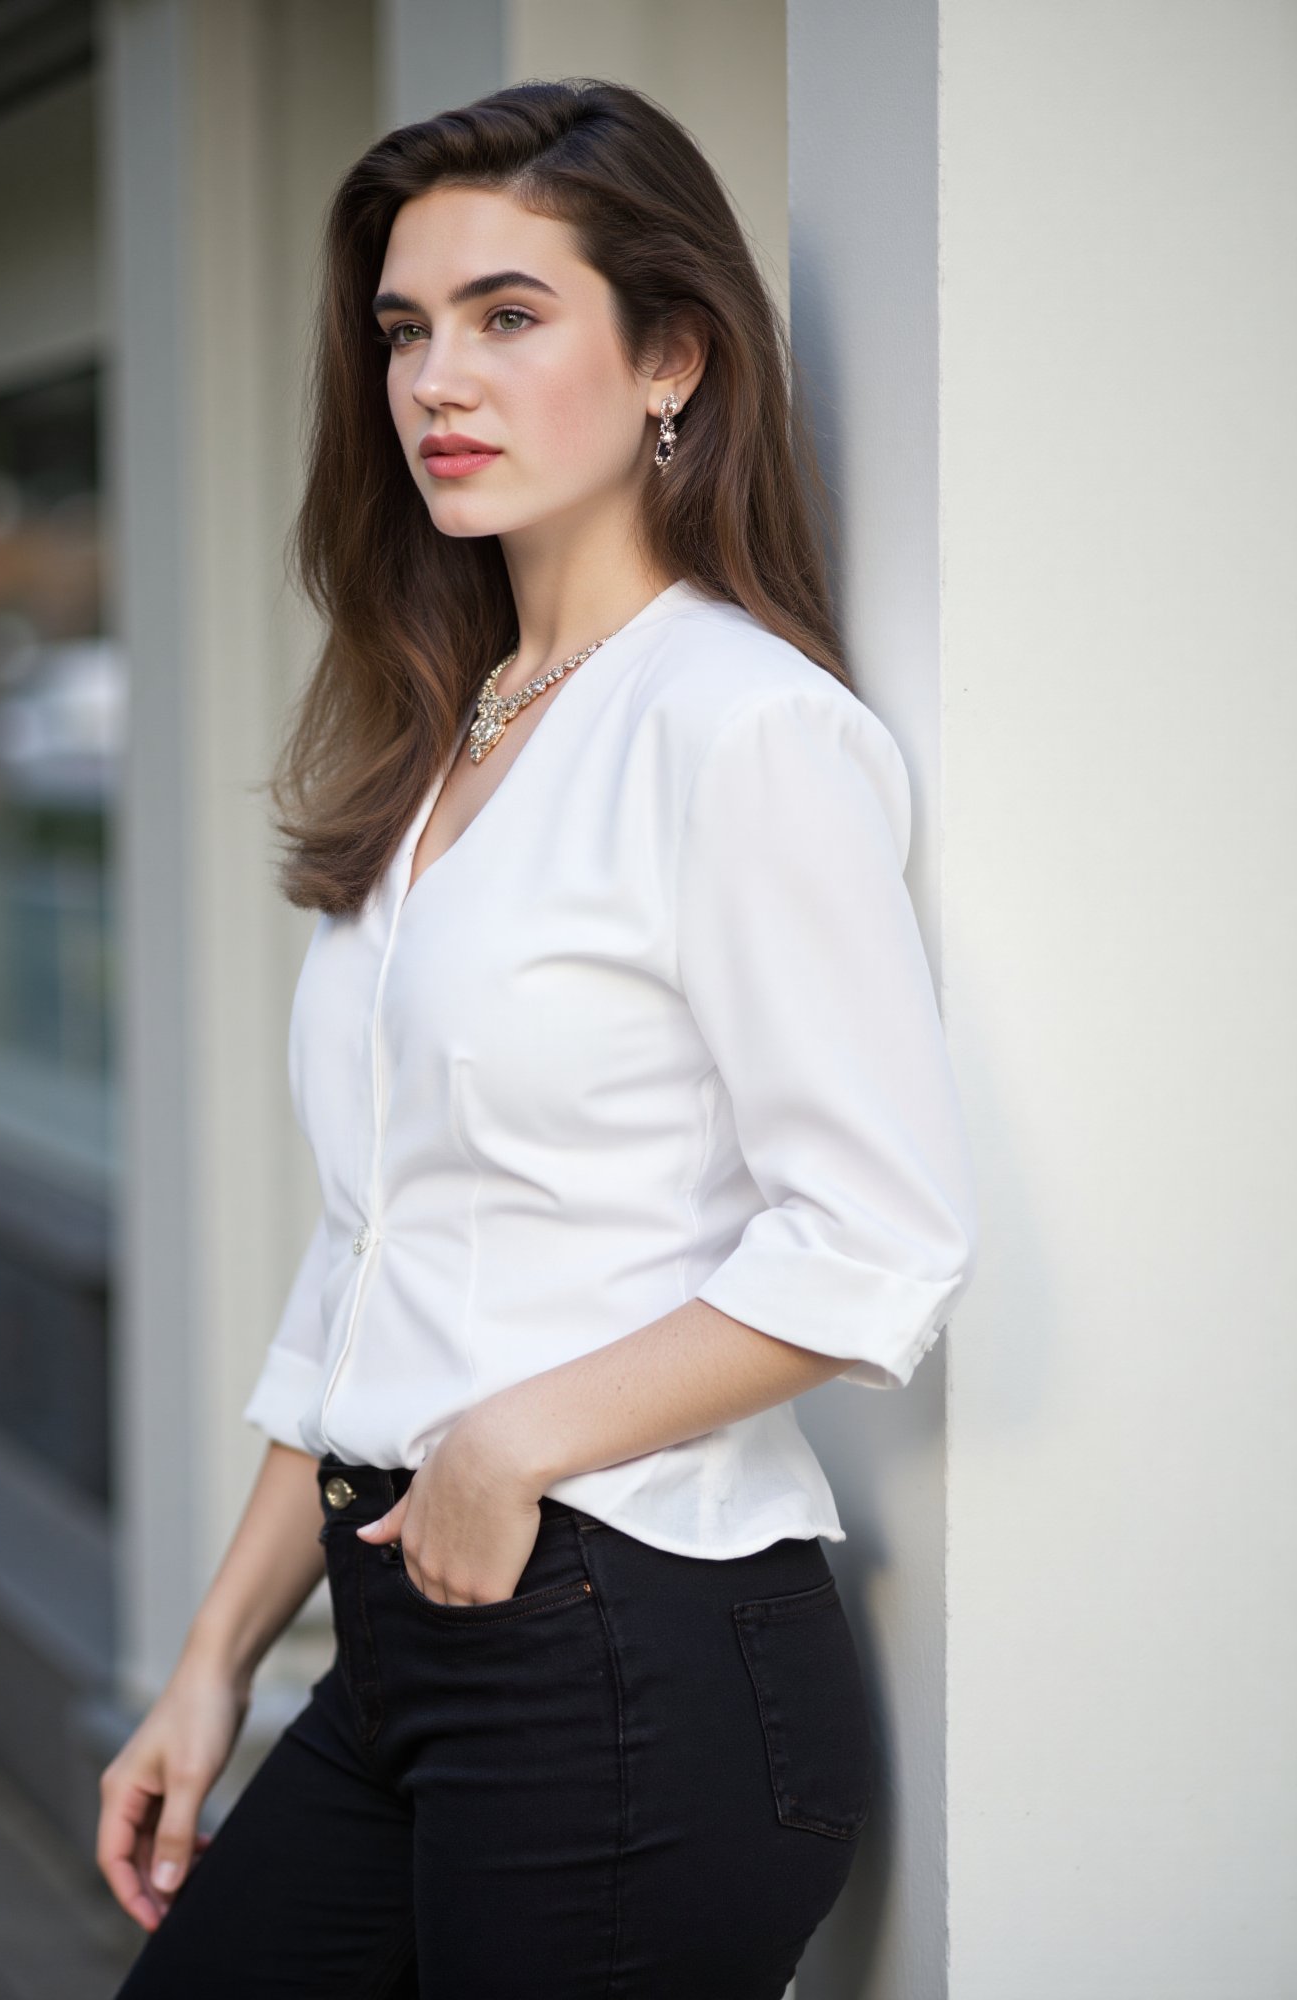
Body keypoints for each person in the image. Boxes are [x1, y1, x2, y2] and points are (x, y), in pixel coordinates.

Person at [100, 76, 978, 1999]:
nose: (436, 379)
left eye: (510, 317)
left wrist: (513, 1444)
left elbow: (881, 1241)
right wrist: (212, 1665)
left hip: (628, 1658)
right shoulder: (458, 734)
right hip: (401, 1640)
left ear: (671, 356)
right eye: (408, 329)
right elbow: (370, 1263)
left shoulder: (740, 728)